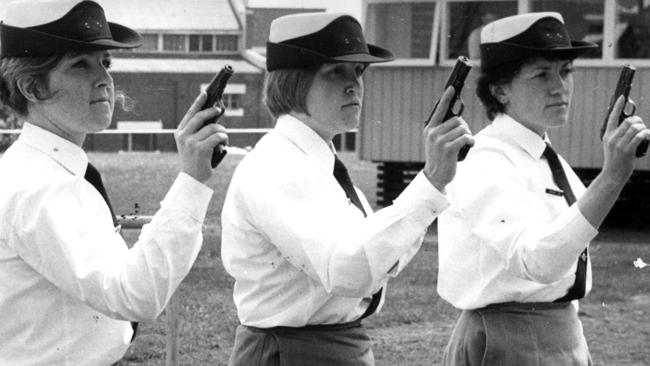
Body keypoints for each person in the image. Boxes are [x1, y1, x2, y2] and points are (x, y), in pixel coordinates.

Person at [220, 12, 474, 366]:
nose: (355, 84)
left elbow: (380, 260)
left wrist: (432, 184)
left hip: (333, 345)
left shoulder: (317, 161)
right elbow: (350, 271)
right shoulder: (278, 166)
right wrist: (430, 181)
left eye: (358, 71)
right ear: (293, 82)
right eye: (335, 72)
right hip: (293, 352)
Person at [0, 0, 228, 364]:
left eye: (105, 62)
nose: (104, 79)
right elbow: (134, 294)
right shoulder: (40, 186)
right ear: (32, 86)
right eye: (80, 65)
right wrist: (193, 178)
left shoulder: (48, 170)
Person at [437, 12, 650, 366]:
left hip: (559, 332)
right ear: (499, 90)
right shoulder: (484, 160)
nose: (559, 87)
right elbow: (539, 262)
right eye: (541, 75)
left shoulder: (542, 158)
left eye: (566, 71)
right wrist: (613, 175)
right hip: (508, 339)